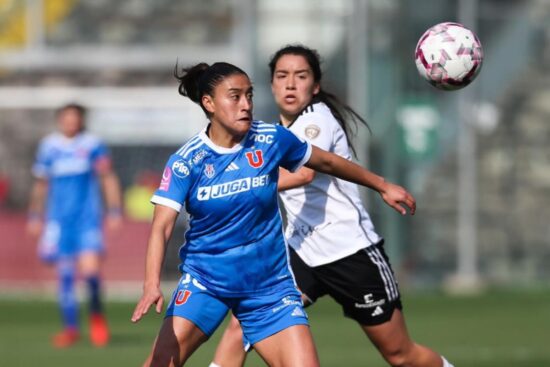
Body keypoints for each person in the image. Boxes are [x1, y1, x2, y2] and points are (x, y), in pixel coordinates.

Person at [130, 61, 415, 367]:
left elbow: (327, 163)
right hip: (206, 282)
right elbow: (161, 227)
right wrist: (151, 284)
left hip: (269, 288)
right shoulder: (187, 162)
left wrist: (382, 185)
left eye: (249, 95)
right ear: (209, 103)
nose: (246, 105)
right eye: (235, 96)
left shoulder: (270, 139)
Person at [210, 45, 454, 367]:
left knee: (400, 355)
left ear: (315, 86)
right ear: (271, 85)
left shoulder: (316, 120)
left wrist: (230, 187)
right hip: (301, 252)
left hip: (350, 254)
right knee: (243, 325)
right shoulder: (274, 133)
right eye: (282, 76)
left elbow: (304, 173)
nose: (291, 84)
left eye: (301, 76)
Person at [26, 103, 122, 348]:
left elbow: (108, 177)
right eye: (67, 118)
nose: (71, 122)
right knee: (65, 275)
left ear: (81, 120)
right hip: (58, 221)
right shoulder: (49, 146)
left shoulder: (92, 145)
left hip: (87, 219)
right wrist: (35, 215)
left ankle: (97, 320)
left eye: (75, 118)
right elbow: (41, 184)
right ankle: (70, 329)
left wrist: (114, 210)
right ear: (60, 120)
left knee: (90, 273)